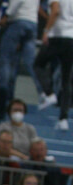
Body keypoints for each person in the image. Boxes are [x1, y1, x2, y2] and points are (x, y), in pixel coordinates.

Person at [35, 0, 73, 131]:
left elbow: (55, 10)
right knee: (66, 79)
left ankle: (49, 94)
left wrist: (46, 30)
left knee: (38, 64)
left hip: (57, 36)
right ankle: (63, 119)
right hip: (71, 38)